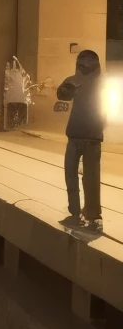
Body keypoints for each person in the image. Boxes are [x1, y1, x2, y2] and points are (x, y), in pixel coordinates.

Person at [57, 48, 104, 233]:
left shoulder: (78, 80)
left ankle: (81, 215)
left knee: (75, 176)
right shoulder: (89, 81)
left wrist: (66, 88)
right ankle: (88, 216)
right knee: (88, 177)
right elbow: (62, 94)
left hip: (82, 135)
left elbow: (62, 94)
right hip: (87, 135)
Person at [4, 55, 31, 131]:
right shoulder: (22, 72)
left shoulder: (8, 72)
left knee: (11, 116)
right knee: (21, 118)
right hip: (21, 98)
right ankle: (20, 127)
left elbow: (6, 84)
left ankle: (11, 126)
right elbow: (27, 82)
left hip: (11, 99)